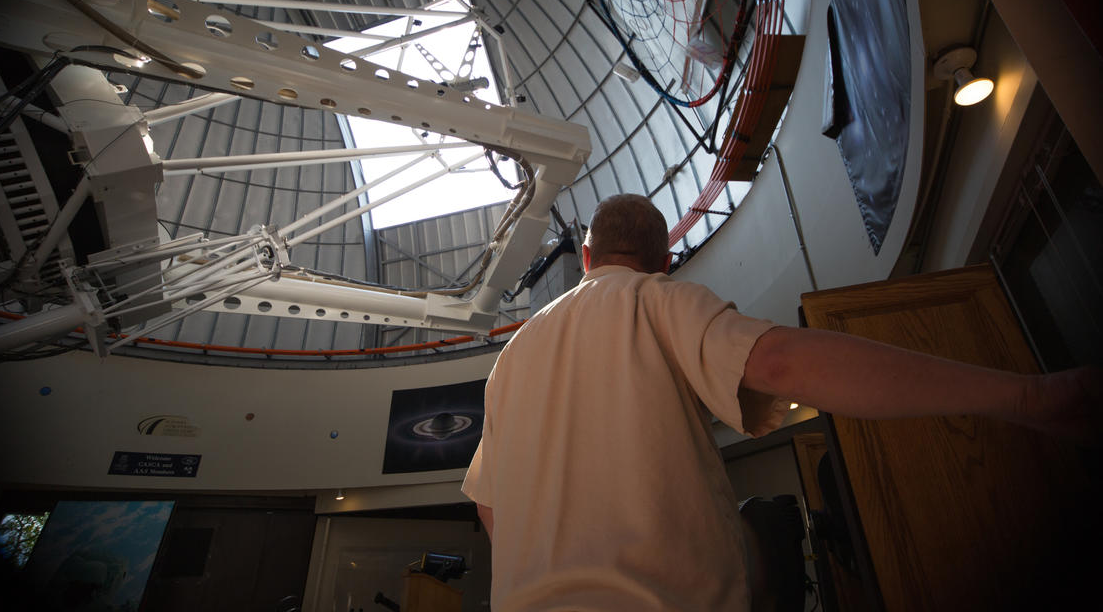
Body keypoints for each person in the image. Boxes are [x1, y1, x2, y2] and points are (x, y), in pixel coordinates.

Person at [461, 193, 1100, 611]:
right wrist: (1031, 395)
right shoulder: (656, 298)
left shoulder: (509, 361)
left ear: (588, 257)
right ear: (665, 261)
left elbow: (490, 507)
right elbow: (780, 362)